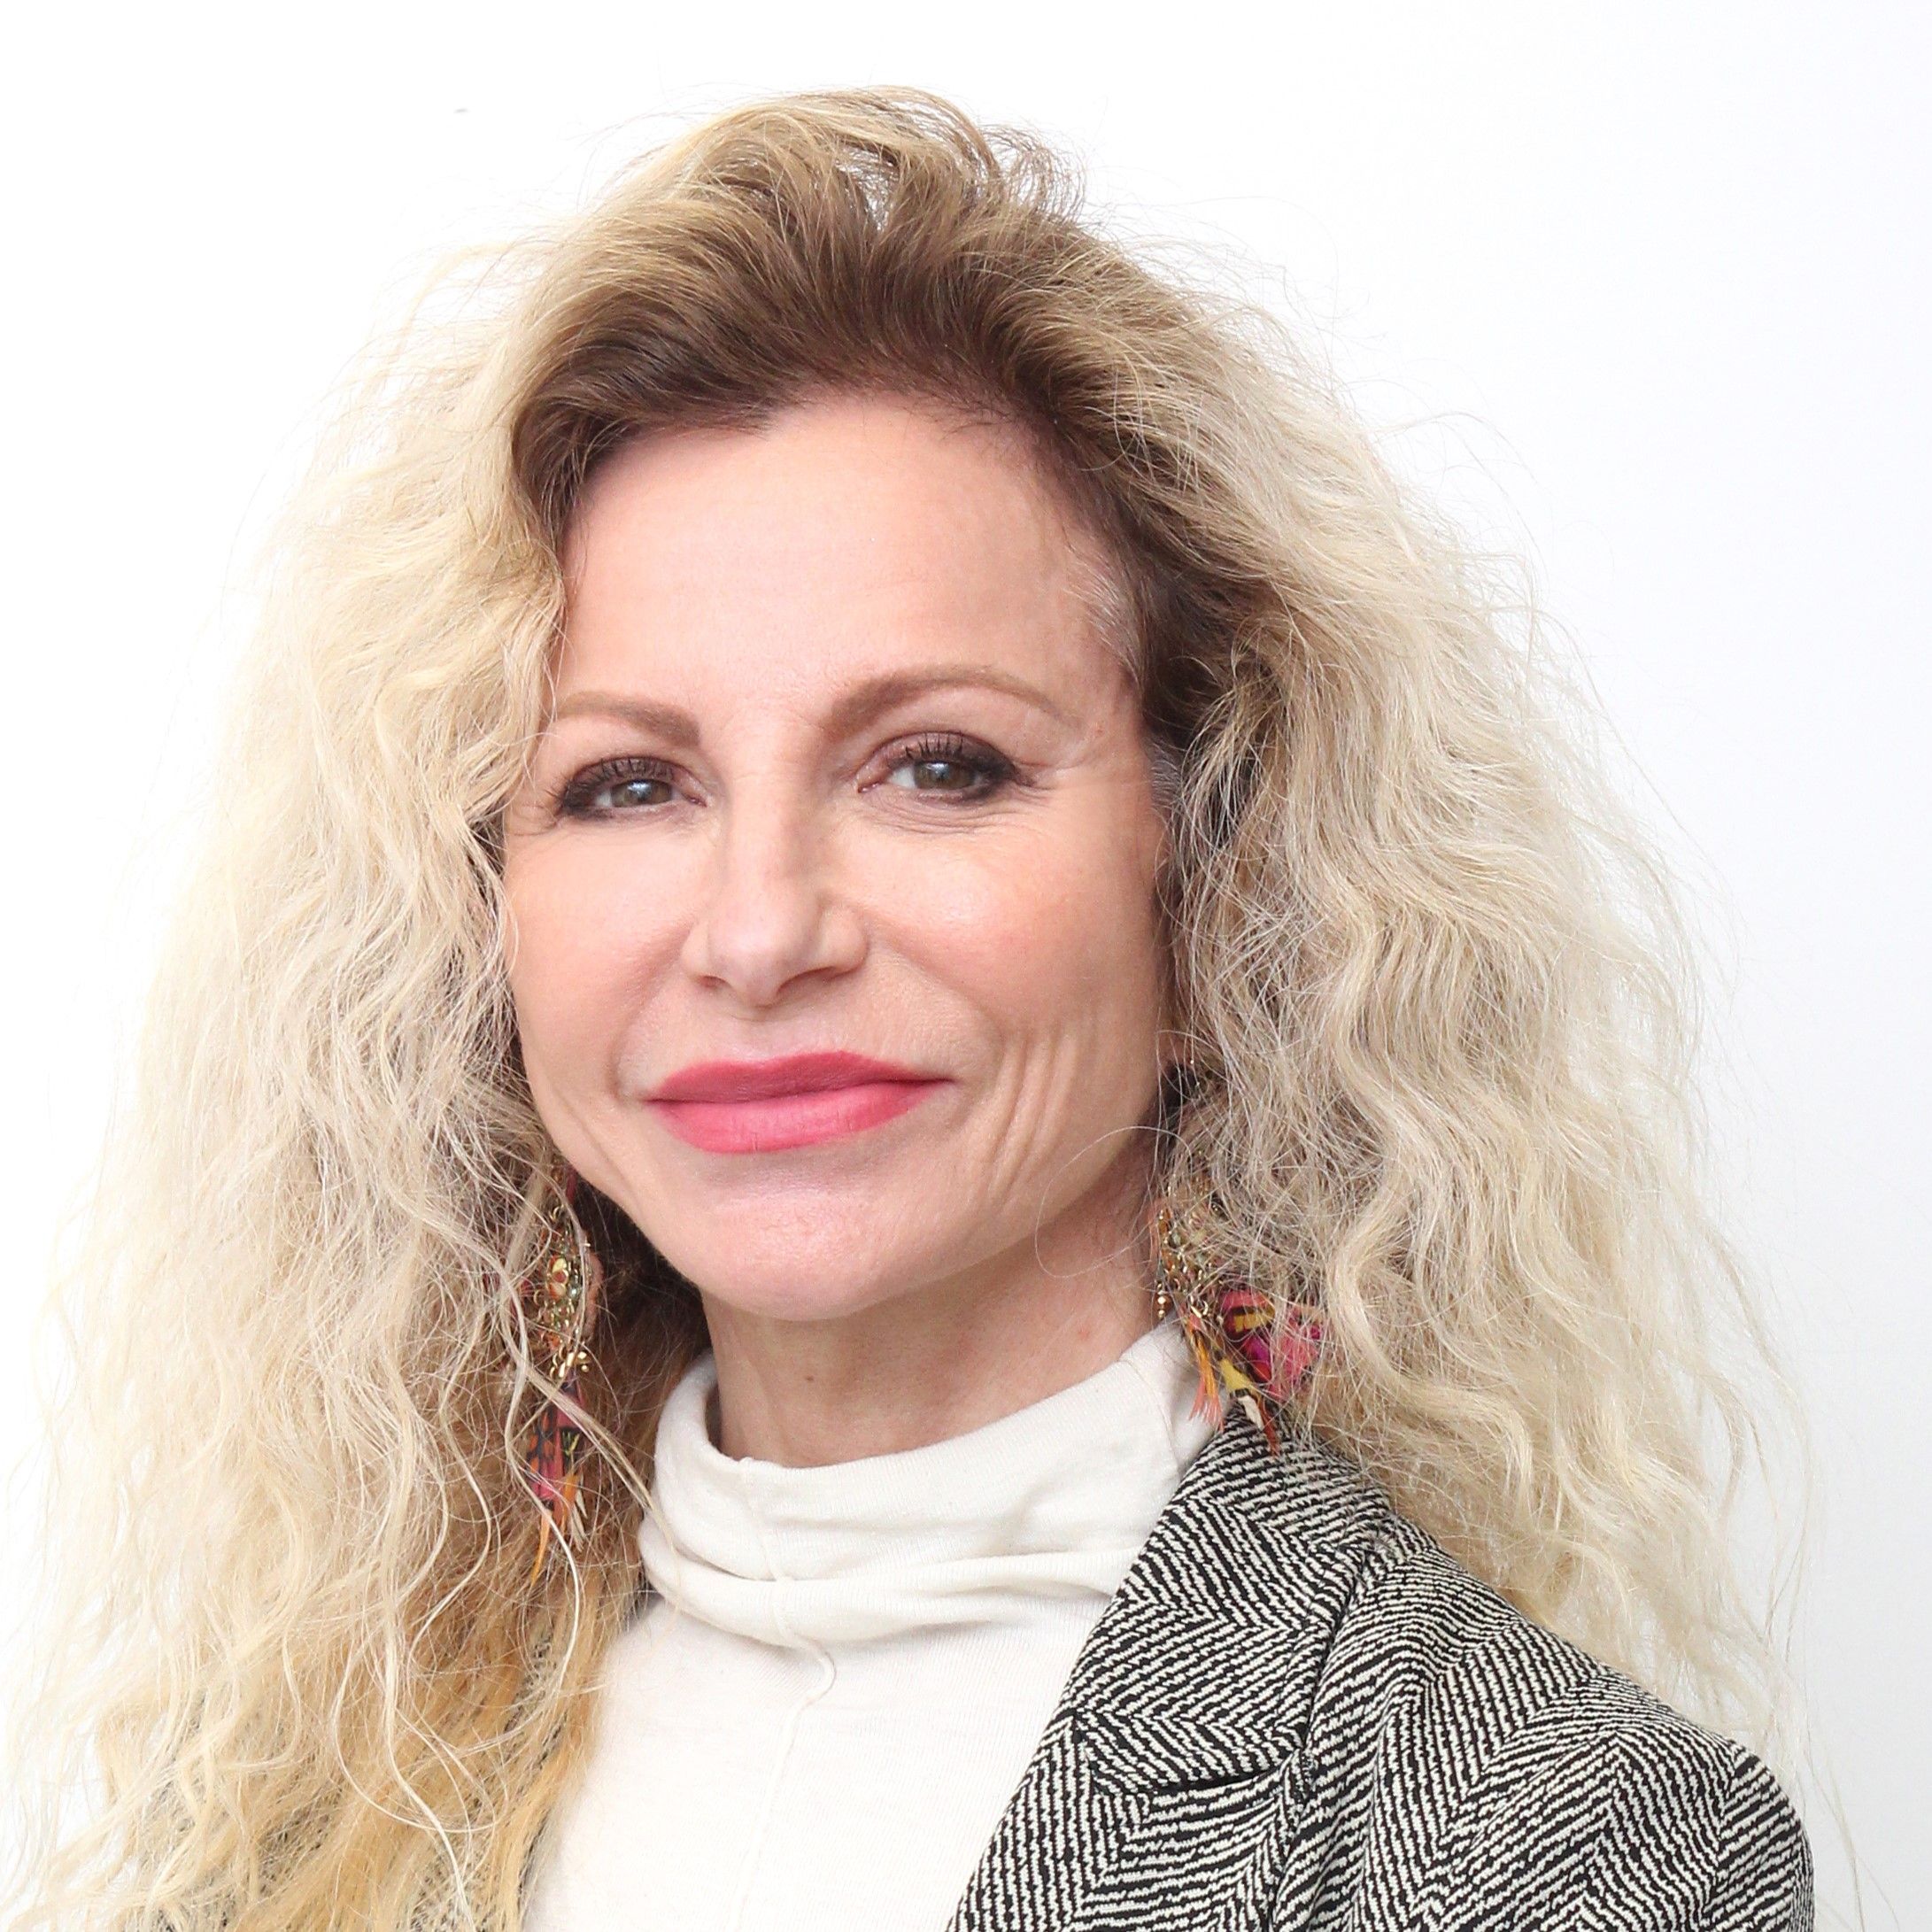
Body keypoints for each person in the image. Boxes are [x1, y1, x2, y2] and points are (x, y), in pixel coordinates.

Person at [6, 86, 1813, 1929]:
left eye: (937, 765)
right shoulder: (308, 1782)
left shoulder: (1553, 1839)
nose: (759, 928)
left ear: (1221, 888)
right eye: (626, 784)